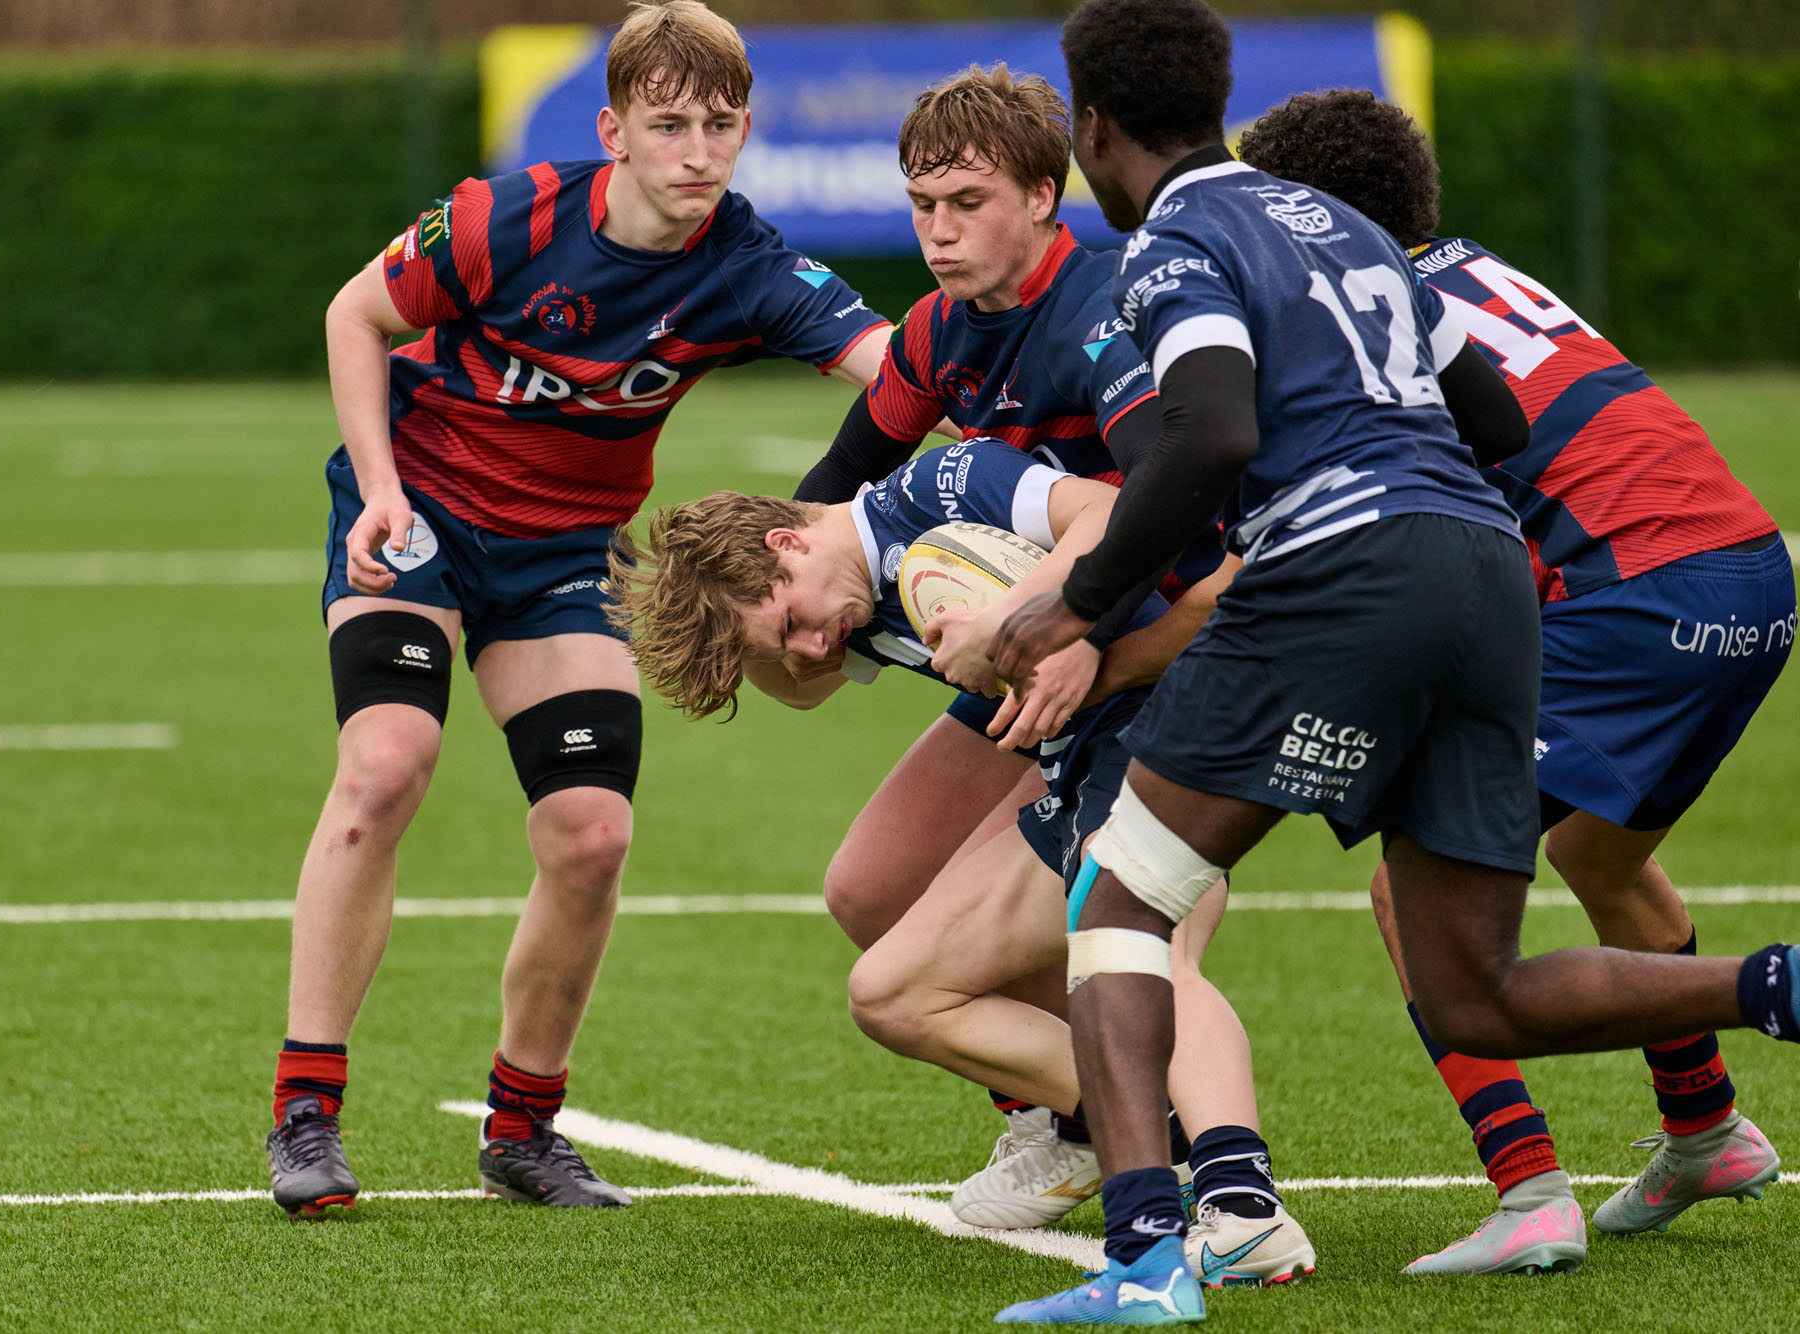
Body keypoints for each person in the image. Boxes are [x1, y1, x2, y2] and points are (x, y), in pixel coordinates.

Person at [983, 0, 1799, 1324]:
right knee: (1472, 982)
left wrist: (1075, 603)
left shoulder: (1173, 239)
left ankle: (1144, 1263)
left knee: (1120, 898)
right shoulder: (1355, 228)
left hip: (1353, 569)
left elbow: (1208, 433)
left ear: (1093, 125)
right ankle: (1778, 986)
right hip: (1490, 572)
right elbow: (1496, 416)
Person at [262, 0, 891, 1218]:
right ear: (613, 131)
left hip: (561, 553)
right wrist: (378, 488)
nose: (696, 152)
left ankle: (522, 1129)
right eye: (668, 125)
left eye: (719, 125)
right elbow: (356, 314)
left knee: (591, 833)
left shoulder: (747, 265)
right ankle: (306, 1109)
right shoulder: (505, 219)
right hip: (418, 514)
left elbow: (900, 368)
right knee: (385, 765)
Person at [1236, 88, 1792, 1274]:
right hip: (1750, 578)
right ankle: (1704, 1128)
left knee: (1411, 894)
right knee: (1600, 855)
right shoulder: (1471, 269)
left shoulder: (1366, 316)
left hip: (1638, 596)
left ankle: (1527, 1190)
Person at [608, 437, 1312, 1286]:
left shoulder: (936, 488)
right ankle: (1118, 1124)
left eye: (793, 624)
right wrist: (702, 623)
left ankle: (1242, 1203)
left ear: (788, 542)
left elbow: (1106, 512)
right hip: (1077, 742)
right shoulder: (848, 594)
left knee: (1140, 949)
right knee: (884, 960)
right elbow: (796, 687)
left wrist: (1016, 616)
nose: (811, 650)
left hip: (1169, 705)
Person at [786, 63, 1232, 1233]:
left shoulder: (1101, 313)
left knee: (1127, 933)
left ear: (1042, 195)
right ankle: (1067, 1113)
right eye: (921, 205)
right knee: (869, 884)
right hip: (1045, 642)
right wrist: (771, 593)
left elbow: (1173, 498)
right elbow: (834, 487)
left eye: (967, 202)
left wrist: (1082, 631)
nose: (938, 231)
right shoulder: (935, 332)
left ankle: (1204, 1158)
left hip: (1170, 644)